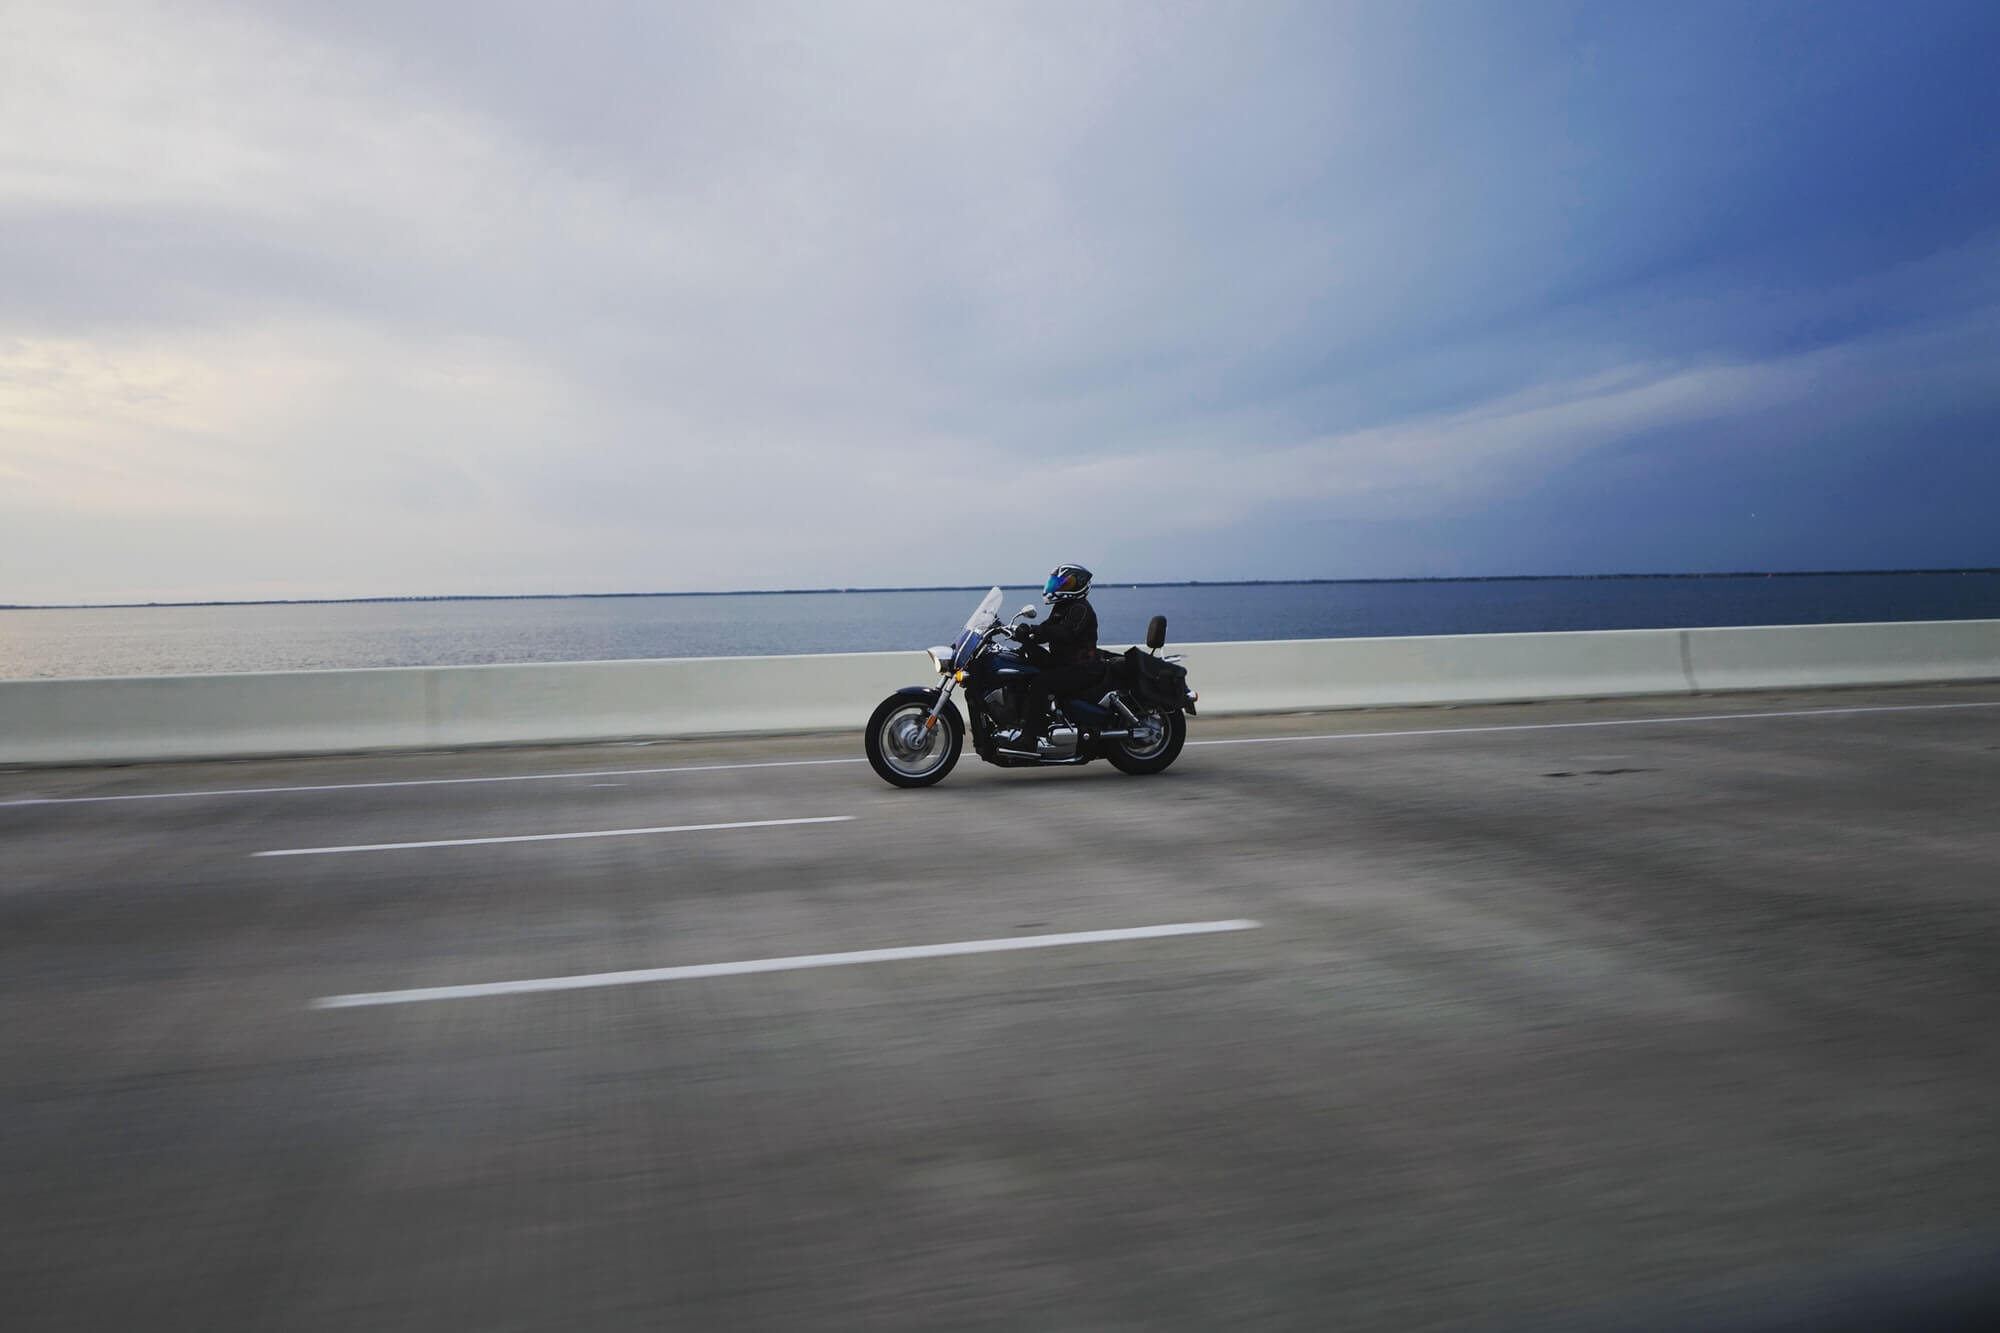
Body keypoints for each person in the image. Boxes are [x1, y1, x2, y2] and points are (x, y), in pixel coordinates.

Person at [1010, 563, 1101, 751]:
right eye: (1058, 583)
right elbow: (1046, 629)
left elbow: (1065, 633)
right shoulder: (1062, 607)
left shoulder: (1080, 608)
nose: (1059, 587)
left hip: (1082, 668)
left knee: (1041, 683)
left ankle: (1030, 737)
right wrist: (1026, 632)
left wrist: (1036, 632)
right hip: (1064, 662)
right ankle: (1018, 722)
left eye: (1066, 583)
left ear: (1079, 585)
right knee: (1022, 667)